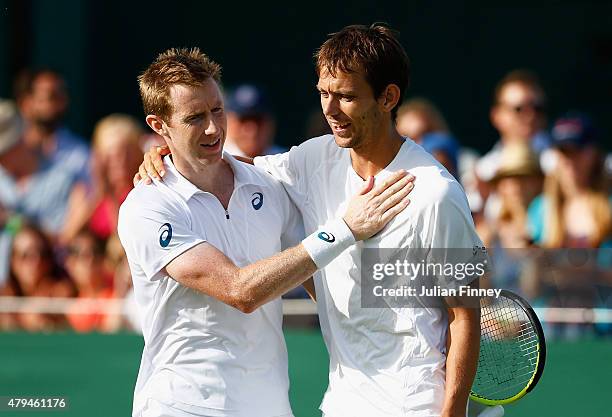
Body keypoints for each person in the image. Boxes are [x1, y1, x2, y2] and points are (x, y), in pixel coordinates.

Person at [138, 25, 484, 417]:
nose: (330, 110)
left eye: (347, 97)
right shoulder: (311, 161)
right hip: (343, 403)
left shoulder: (438, 193)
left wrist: (452, 413)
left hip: (418, 405)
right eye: (324, 93)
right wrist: (168, 153)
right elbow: (228, 169)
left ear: (388, 97)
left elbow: (465, 313)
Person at [13, 69, 90, 183]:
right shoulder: (8, 154)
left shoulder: (81, 154)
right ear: (25, 103)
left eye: (62, 96)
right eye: (49, 96)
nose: (58, 104)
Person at [224, 84, 284, 157]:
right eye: (243, 120)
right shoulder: (214, 162)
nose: (251, 130)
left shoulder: (287, 161)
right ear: (228, 121)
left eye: (258, 120)